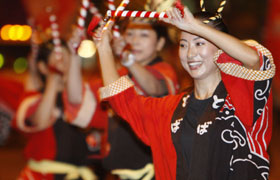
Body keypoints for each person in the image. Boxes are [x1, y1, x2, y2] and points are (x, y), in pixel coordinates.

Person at [93, 3, 275, 180]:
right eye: (183, 45)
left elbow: (255, 60)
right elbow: (124, 101)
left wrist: (196, 26)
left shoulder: (241, 96)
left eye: (199, 43)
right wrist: (103, 47)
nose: (190, 54)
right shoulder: (170, 110)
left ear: (221, 48)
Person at [69, 18, 179, 179]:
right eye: (130, 34)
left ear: (160, 43)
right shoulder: (118, 75)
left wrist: (128, 59)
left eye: (144, 35)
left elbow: (154, 87)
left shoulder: (165, 70)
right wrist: (73, 54)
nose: (135, 40)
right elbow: (76, 97)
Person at [13, 28, 98, 180]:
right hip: (43, 175)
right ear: (42, 67)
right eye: (57, 59)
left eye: (67, 58)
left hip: (80, 173)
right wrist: (53, 81)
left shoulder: (85, 95)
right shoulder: (32, 97)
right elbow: (39, 121)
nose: (63, 64)